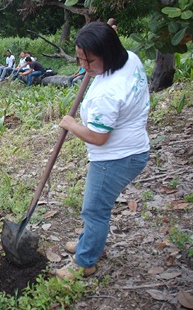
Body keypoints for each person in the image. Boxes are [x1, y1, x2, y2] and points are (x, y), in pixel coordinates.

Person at [55, 21, 150, 279]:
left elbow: (98, 138)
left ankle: (85, 261)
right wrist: (98, 49)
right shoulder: (129, 58)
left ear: (107, 54)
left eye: (89, 61)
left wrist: (72, 124)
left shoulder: (107, 94)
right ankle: (90, 242)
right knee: (96, 208)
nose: (84, 68)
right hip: (133, 147)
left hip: (117, 157)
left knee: (95, 210)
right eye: (80, 59)